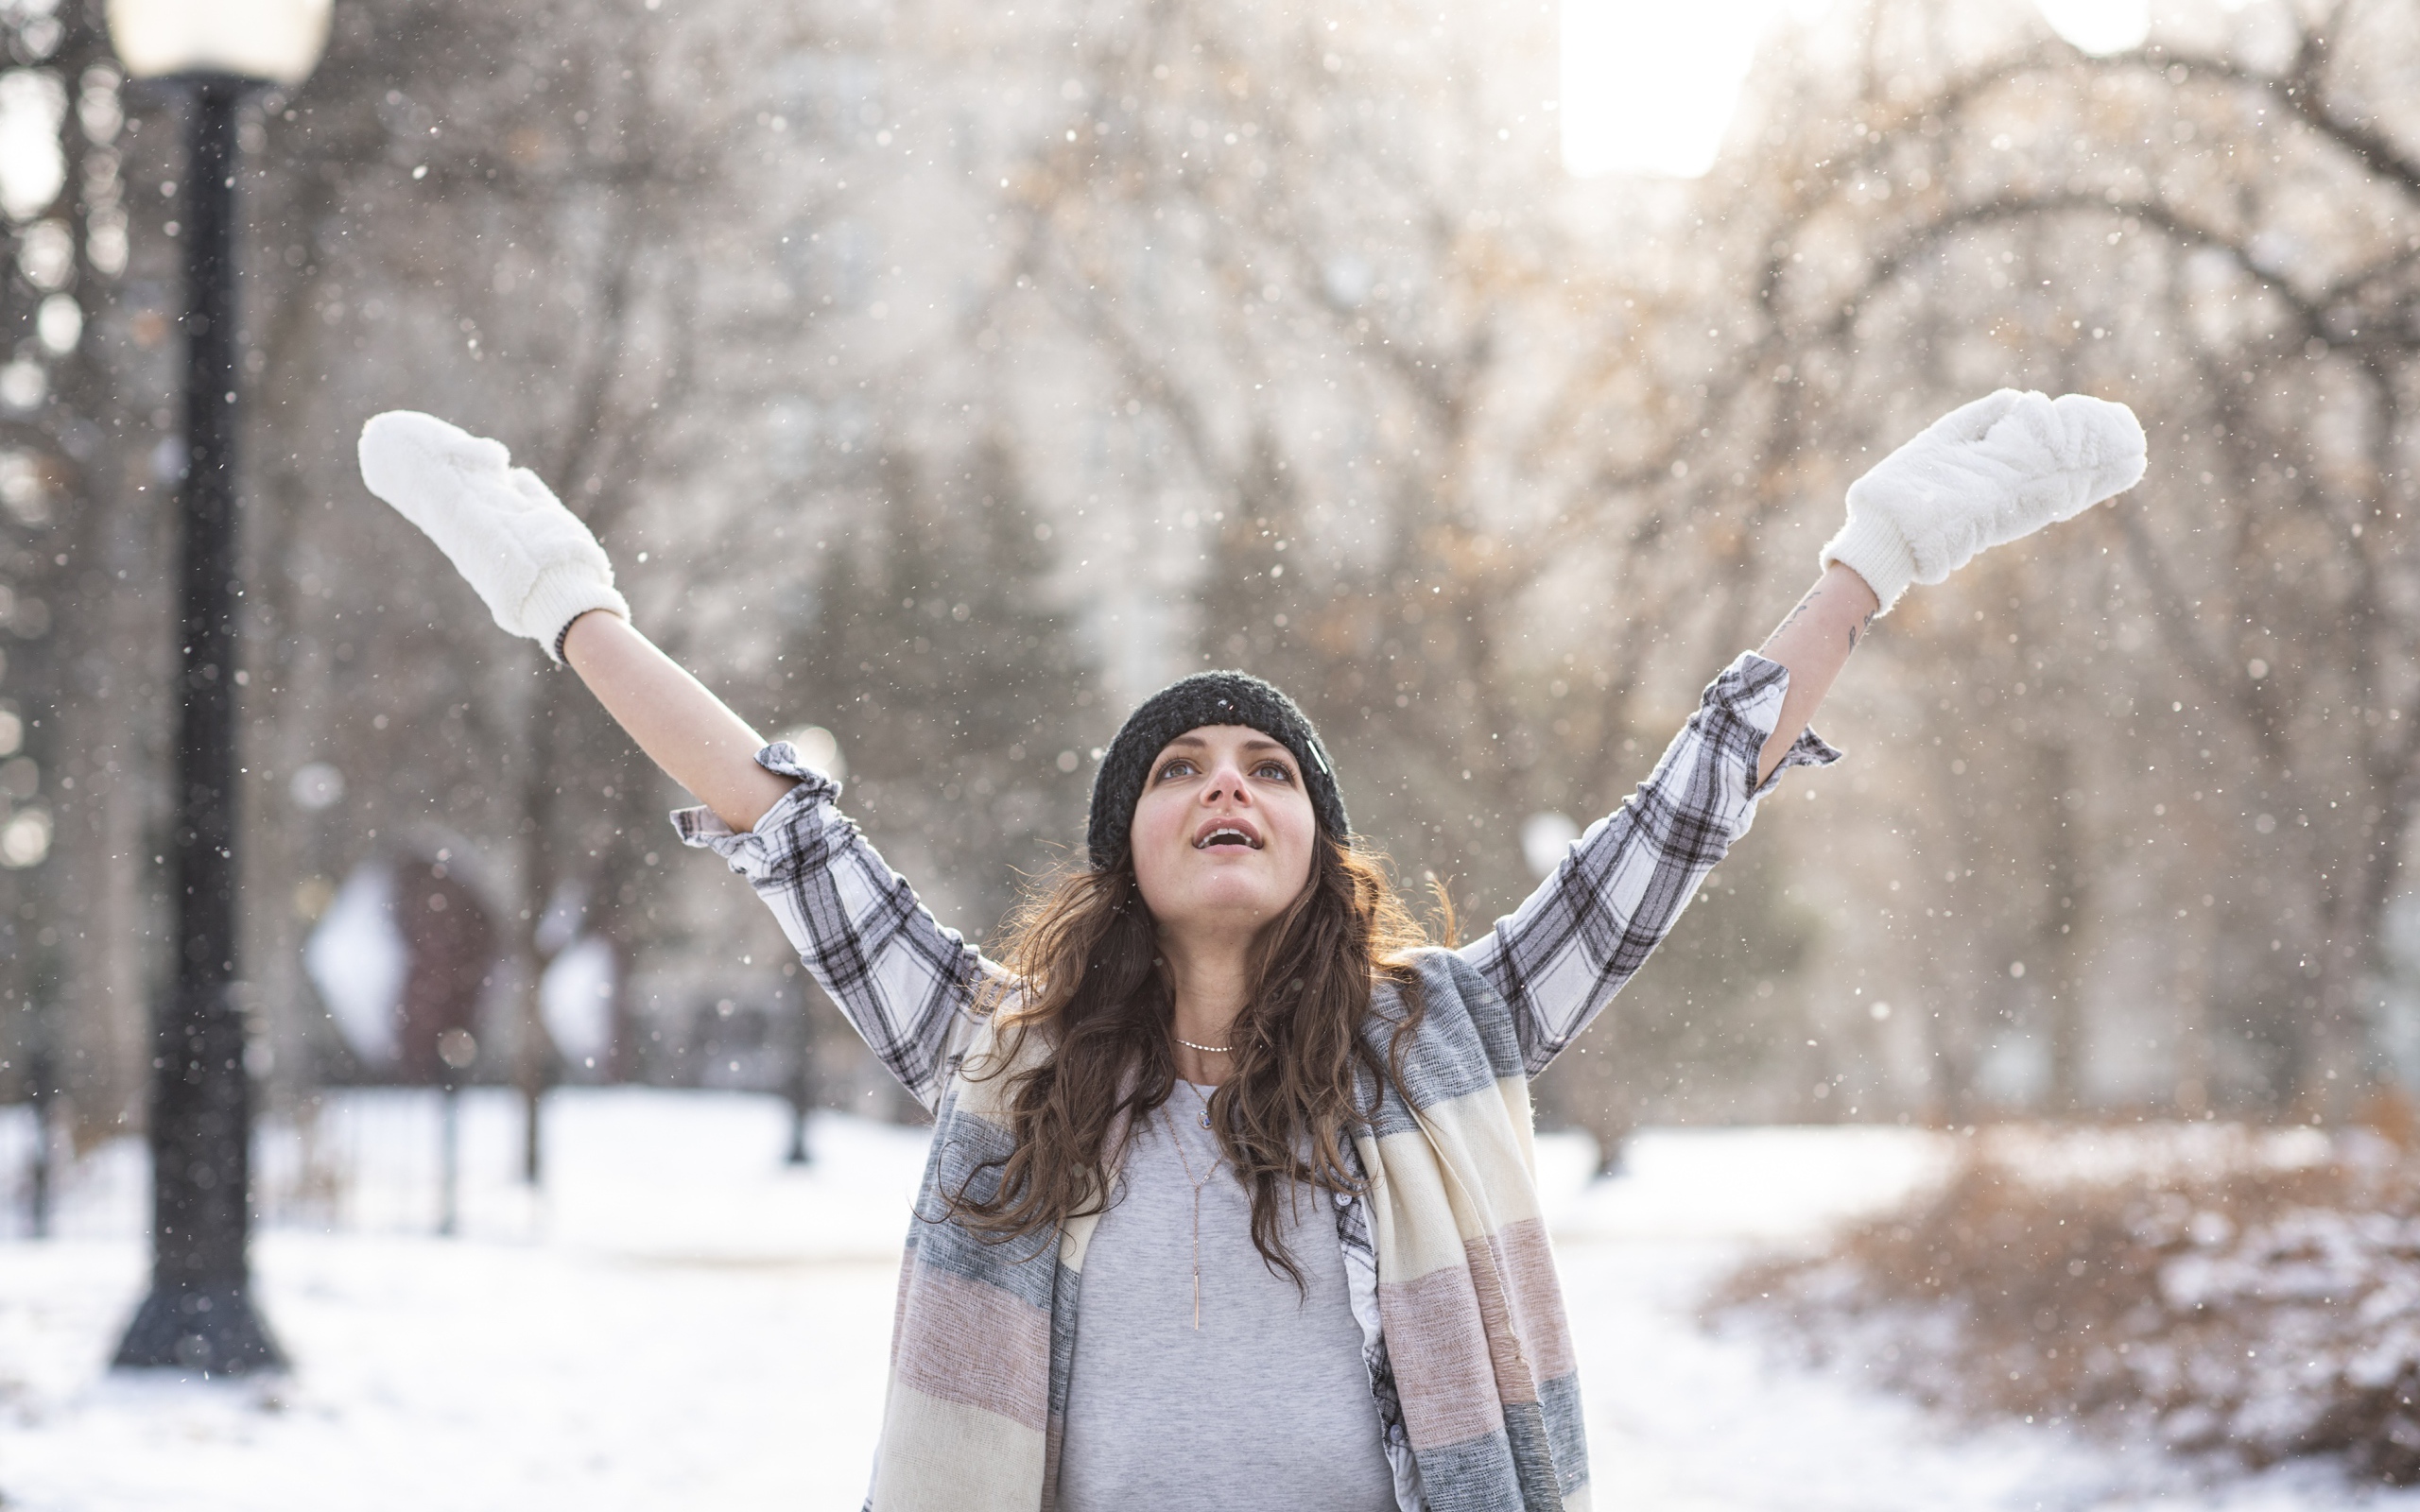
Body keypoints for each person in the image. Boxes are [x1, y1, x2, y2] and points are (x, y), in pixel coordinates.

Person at [357, 387, 2145, 1512]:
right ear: (1126, 852)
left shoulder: (1446, 1032)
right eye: (1181, 770)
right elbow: (785, 828)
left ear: (1316, 845)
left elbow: (1679, 816)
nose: (1227, 783)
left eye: (1268, 769)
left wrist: (1869, 562)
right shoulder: (1009, 1056)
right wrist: (565, 599)